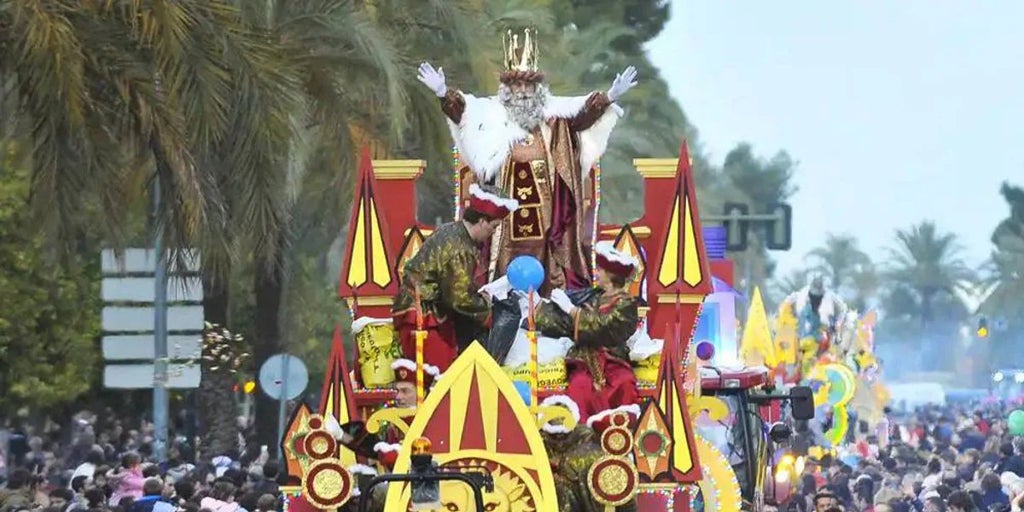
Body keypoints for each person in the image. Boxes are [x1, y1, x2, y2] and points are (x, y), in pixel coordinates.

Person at [416, 28, 637, 292]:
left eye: (528, 86)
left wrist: (610, 96)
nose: (522, 91)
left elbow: (582, 115)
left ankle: (550, 309)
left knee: (546, 261)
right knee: (502, 260)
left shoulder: (554, 116)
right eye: (516, 85)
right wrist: (443, 92)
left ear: (537, 89)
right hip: (505, 212)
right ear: (507, 89)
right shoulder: (491, 113)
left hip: (546, 211)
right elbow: (464, 113)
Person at [391, 184, 518, 372]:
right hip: (425, 320)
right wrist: (491, 312)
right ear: (482, 221)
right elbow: (459, 298)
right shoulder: (461, 248)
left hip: (418, 313)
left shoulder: (451, 230)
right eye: (494, 227)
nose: (493, 232)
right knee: (438, 380)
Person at [533, 241, 641, 423]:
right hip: (584, 359)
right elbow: (567, 324)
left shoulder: (626, 304)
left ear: (611, 275)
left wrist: (572, 311)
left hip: (613, 361)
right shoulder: (592, 296)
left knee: (623, 382)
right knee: (579, 384)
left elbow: (604, 327)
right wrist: (539, 310)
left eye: (600, 270)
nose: (596, 273)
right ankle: (581, 432)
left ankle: (617, 429)